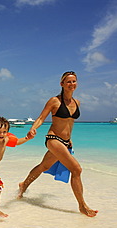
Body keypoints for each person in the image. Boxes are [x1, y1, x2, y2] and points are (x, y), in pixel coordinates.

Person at [17, 71, 98, 217]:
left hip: (66, 142)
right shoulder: (55, 101)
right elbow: (42, 117)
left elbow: (69, 124)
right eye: (68, 82)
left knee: (44, 166)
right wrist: (32, 129)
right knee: (76, 169)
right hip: (53, 139)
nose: (71, 84)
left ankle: (23, 185)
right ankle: (82, 206)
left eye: (74, 81)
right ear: (62, 84)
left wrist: (69, 140)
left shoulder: (77, 102)